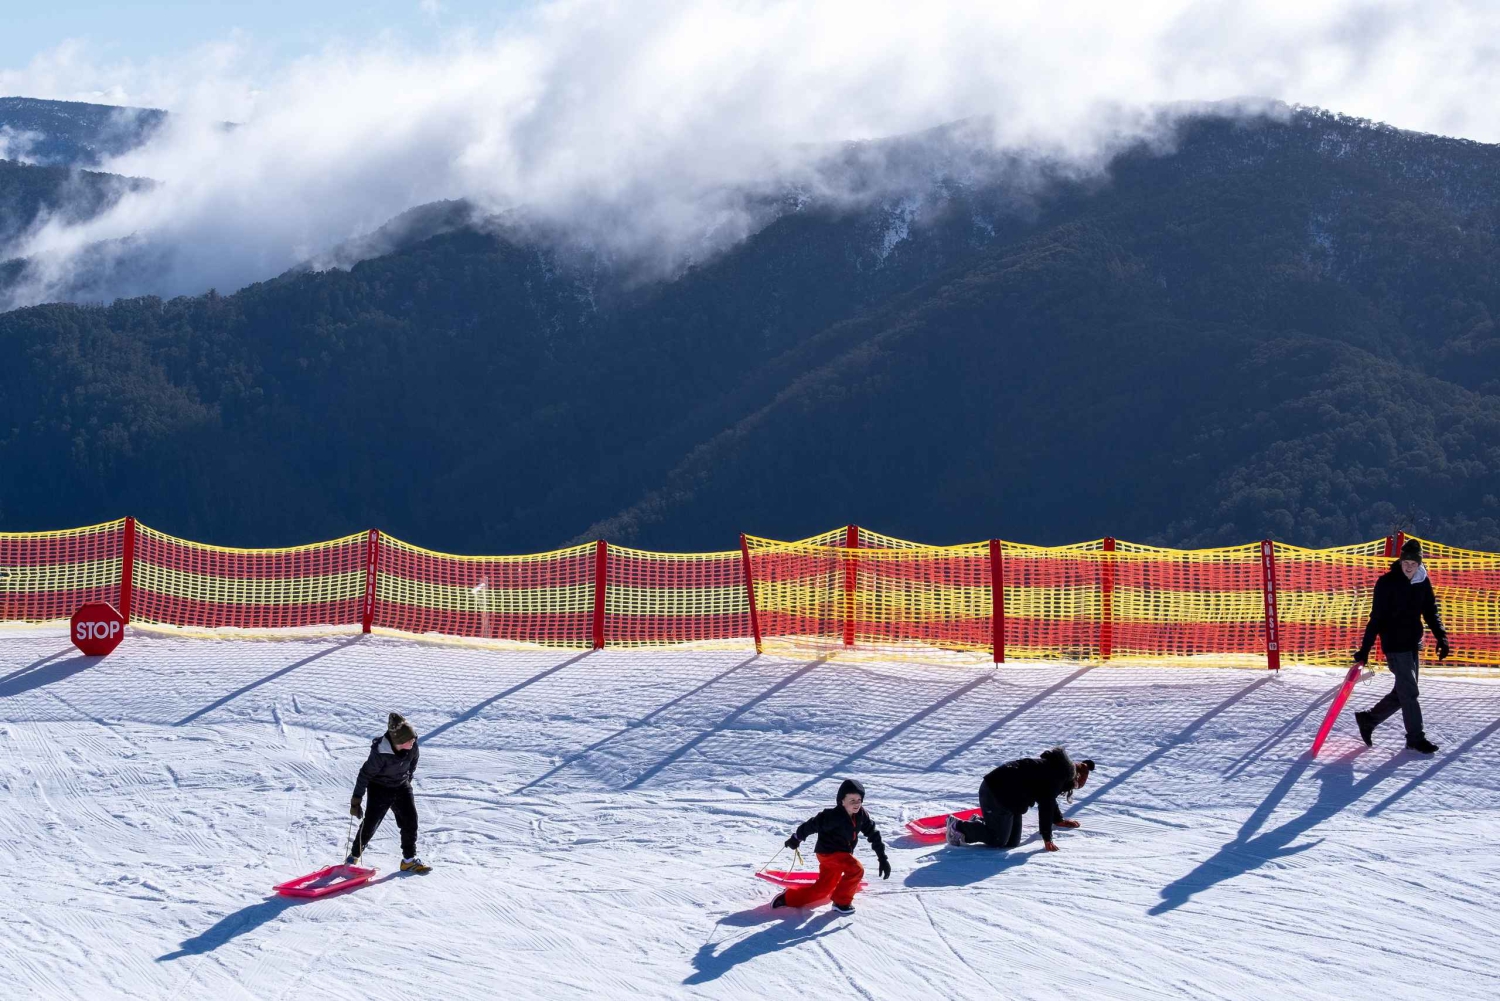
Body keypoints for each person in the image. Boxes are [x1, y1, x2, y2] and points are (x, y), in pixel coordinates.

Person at [1353, 539, 1450, 754]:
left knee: (1403, 692)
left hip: (1413, 643)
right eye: (1405, 562)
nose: (1409, 567)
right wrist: (1365, 649)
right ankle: (1415, 738)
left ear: (1419, 564)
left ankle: (1369, 719)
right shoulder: (1387, 583)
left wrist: (1441, 637)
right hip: (1395, 645)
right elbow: (1376, 618)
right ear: (1400, 561)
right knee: (1410, 692)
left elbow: (1430, 611)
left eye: (1413, 563)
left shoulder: (1422, 581)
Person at [771, 779, 890, 914]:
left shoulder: (861, 815)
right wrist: (796, 838)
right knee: (855, 869)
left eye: (859, 800)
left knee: (824, 889)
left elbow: (873, 835)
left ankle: (788, 898)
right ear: (842, 801)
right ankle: (841, 902)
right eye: (852, 800)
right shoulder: (832, 816)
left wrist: (882, 858)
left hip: (842, 854)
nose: (857, 804)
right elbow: (811, 825)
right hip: (828, 853)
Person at [947, 747, 1094, 851]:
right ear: (1074, 776)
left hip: (1012, 800)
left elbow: (1048, 797)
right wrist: (1047, 838)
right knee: (998, 840)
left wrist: (1058, 820)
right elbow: (1046, 805)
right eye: (1075, 785)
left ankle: (981, 823)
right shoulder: (1057, 776)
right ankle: (957, 827)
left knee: (1012, 842)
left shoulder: (1057, 771)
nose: (1072, 788)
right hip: (995, 792)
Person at [346, 712, 431, 873]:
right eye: (410, 739)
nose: (414, 741)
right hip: (380, 788)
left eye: (413, 738)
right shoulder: (380, 753)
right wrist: (356, 800)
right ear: (399, 741)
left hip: (401, 786)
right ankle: (353, 857)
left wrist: (407, 780)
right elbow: (364, 774)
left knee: (410, 821)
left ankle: (409, 860)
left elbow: (412, 764)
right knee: (371, 823)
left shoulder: (413, 746)